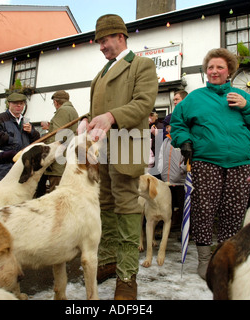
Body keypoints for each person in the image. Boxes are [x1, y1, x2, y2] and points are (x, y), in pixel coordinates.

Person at [78, 14, 158, 300]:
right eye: (99, 41)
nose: (101, 46)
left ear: (120, 36)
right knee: (105, 204)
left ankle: (127, 276)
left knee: (126, 206)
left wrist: (112, 116)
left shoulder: (142, 65)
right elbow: (98, 112)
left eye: (104, 39)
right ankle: (109, 260)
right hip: (103, 150)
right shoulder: (99, 76)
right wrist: (86, 121)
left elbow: (143, 104)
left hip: (127, 146)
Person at [170, 48, 250, 279]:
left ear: (229, 71)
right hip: (206, 161)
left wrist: (247, 106)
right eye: (210, 67)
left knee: (233, 211)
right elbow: (177, 123)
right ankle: (204, 260)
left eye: (219, 67)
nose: (214, 71)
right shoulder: (194, 98)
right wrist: (184, 141)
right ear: (206, 71)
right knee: (204, 209)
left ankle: (224, 256)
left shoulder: (243, 97)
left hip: (239, 162)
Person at [0, 92, 40, 183]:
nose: (19, 106)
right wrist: (12, 139)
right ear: (9, 104)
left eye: (21, 103)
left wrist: (32, 132)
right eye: (15, 103)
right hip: (3, 169)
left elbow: (36, 140)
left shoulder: (25, 121)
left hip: (22, 167)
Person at [43, 90, 79, 192]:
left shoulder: (62, 110)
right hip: (66, 156)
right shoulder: (72, 110)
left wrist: (47, 154)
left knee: (56, 192)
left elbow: (59, 137)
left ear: (55, 102)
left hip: (58, 160)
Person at [157, 113, 186, 229]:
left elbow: (186, 158)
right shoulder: (166, 141)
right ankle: (168, 227)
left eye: (168, 126)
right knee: (168, 205)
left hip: (180, 181)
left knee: (182, 206)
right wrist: (160, 169)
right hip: (167, 180)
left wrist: (182, 169)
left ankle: (185, 231)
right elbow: (161, 156)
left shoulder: (183, 141)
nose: (166, 129)